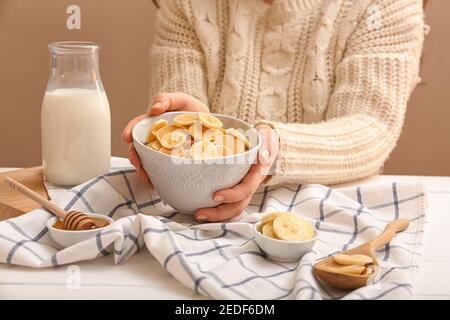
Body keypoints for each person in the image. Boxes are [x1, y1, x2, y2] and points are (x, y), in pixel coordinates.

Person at [122, 0, 426, 222]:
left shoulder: (384, 5)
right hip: (203, 219)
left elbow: (371, 127)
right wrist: (181, 129)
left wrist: (272, 149)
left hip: (333, 216)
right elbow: (181, 109)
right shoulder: (185, 5)